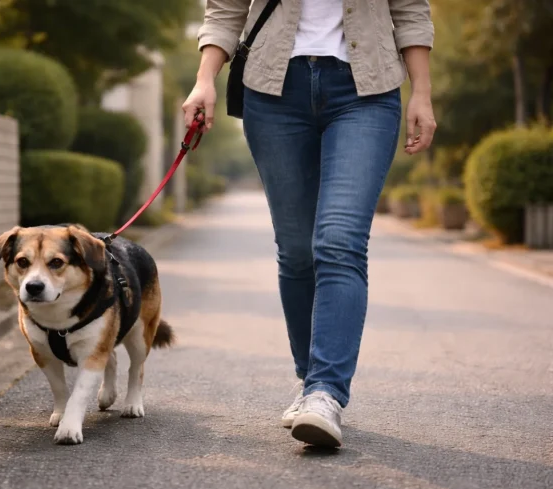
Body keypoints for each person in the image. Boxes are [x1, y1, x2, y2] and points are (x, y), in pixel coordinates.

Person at [184, 0, 435, 448]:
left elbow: (411, 9)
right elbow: (225, 9)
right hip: (273, 90)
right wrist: (205, 80)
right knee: (297, 249)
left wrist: (422, 91)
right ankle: (309, 379)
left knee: (339, 241)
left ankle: (326, 392)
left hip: (367, 91)